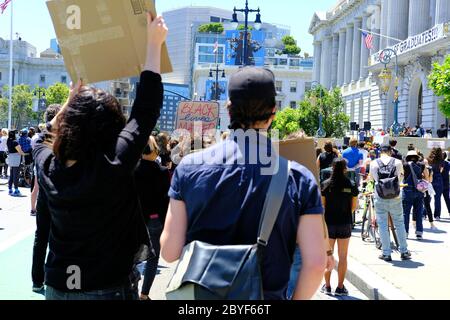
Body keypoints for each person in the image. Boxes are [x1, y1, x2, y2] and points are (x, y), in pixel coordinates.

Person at [160, 67, 328, 300]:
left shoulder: (188, 167)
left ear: (229, 110)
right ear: (273, 112)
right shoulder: (298, 178)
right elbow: (317, 264)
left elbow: (169, 252)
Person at [33, 13, 167, 300]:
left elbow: (44, 136)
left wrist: (69, 103)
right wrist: (153, 45)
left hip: (59, 286)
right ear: (111, 127)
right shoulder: (114, 163)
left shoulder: (47, 165)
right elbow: (145, 111)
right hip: (107, 287)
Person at [135, 136, 170, 301]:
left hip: (134, 218)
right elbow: (166, 200)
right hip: (155, 219)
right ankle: (144, 294)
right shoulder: (162, 172)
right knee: (153, 257)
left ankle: (132, 287)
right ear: (155, 150)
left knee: (131, 254)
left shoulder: (132, 170)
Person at [31, 105, 62, 291]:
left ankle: (37, 280)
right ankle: (54, 280)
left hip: (43, 196)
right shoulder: (65, 142)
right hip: (59, 198)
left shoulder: (39, 142)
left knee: (40, 238)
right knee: (59, 240)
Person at [321, 158, 358, 296]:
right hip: (344, 223)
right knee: (343, 257)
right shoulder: (351, 184)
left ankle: (327, 286)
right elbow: (354, 206)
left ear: (332, 168)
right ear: (345, 169)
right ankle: (340, 287)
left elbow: (322, 206)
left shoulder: (325, 184)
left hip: (328, 223)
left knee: (327, 254)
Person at [370, 144, 411, 261]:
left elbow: (373, 179)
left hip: (380, 196)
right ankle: (404, 251)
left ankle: (386, 253)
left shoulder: (374, 163)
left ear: (380, 152)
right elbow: (401, 178)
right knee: (399, 223)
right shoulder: (398, 162)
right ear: (390, 151)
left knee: (382, 225)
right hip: (395, 196)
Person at [402, 150, 428, 239]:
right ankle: (419, 232)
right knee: (418, 212)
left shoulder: (405, 165)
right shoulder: (421, 165)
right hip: (419, 191)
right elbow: (426, 177)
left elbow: (401, 176)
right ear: (417, 157)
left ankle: (405, 233)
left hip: (407, 191)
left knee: (406, 213)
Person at [428, 148, 446, 221]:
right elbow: (441, 171)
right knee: (437, 199)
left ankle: (424, 213)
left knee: (427, 198)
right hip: (438, 179)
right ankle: (437, 215)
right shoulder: (442, 161)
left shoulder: (429, 159)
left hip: (430, 179)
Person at [7, 130, 26, 196]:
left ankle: (10, 189)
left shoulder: (8, 140)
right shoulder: (15, 142)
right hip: (16, 159)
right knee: (16, 175)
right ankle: (16, 189)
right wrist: (24, 154)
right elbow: (20, 151)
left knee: (11, 174)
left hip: (11, 158)